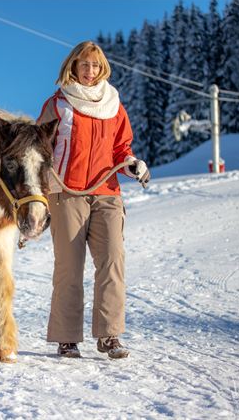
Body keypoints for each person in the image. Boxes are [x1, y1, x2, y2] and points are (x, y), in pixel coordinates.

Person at [37, 41, 150, 359]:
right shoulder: (57, 104)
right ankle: (66, 338)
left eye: (96, 66)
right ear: (73, 66)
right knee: (69, 268)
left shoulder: (113, 105)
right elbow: (39, 146)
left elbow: (121, 148)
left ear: (103, 70)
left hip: (106, 193)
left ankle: (109, 335)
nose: (90, 71)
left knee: (113, 261)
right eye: (84, 65)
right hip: (66, 194)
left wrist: (132, 163)